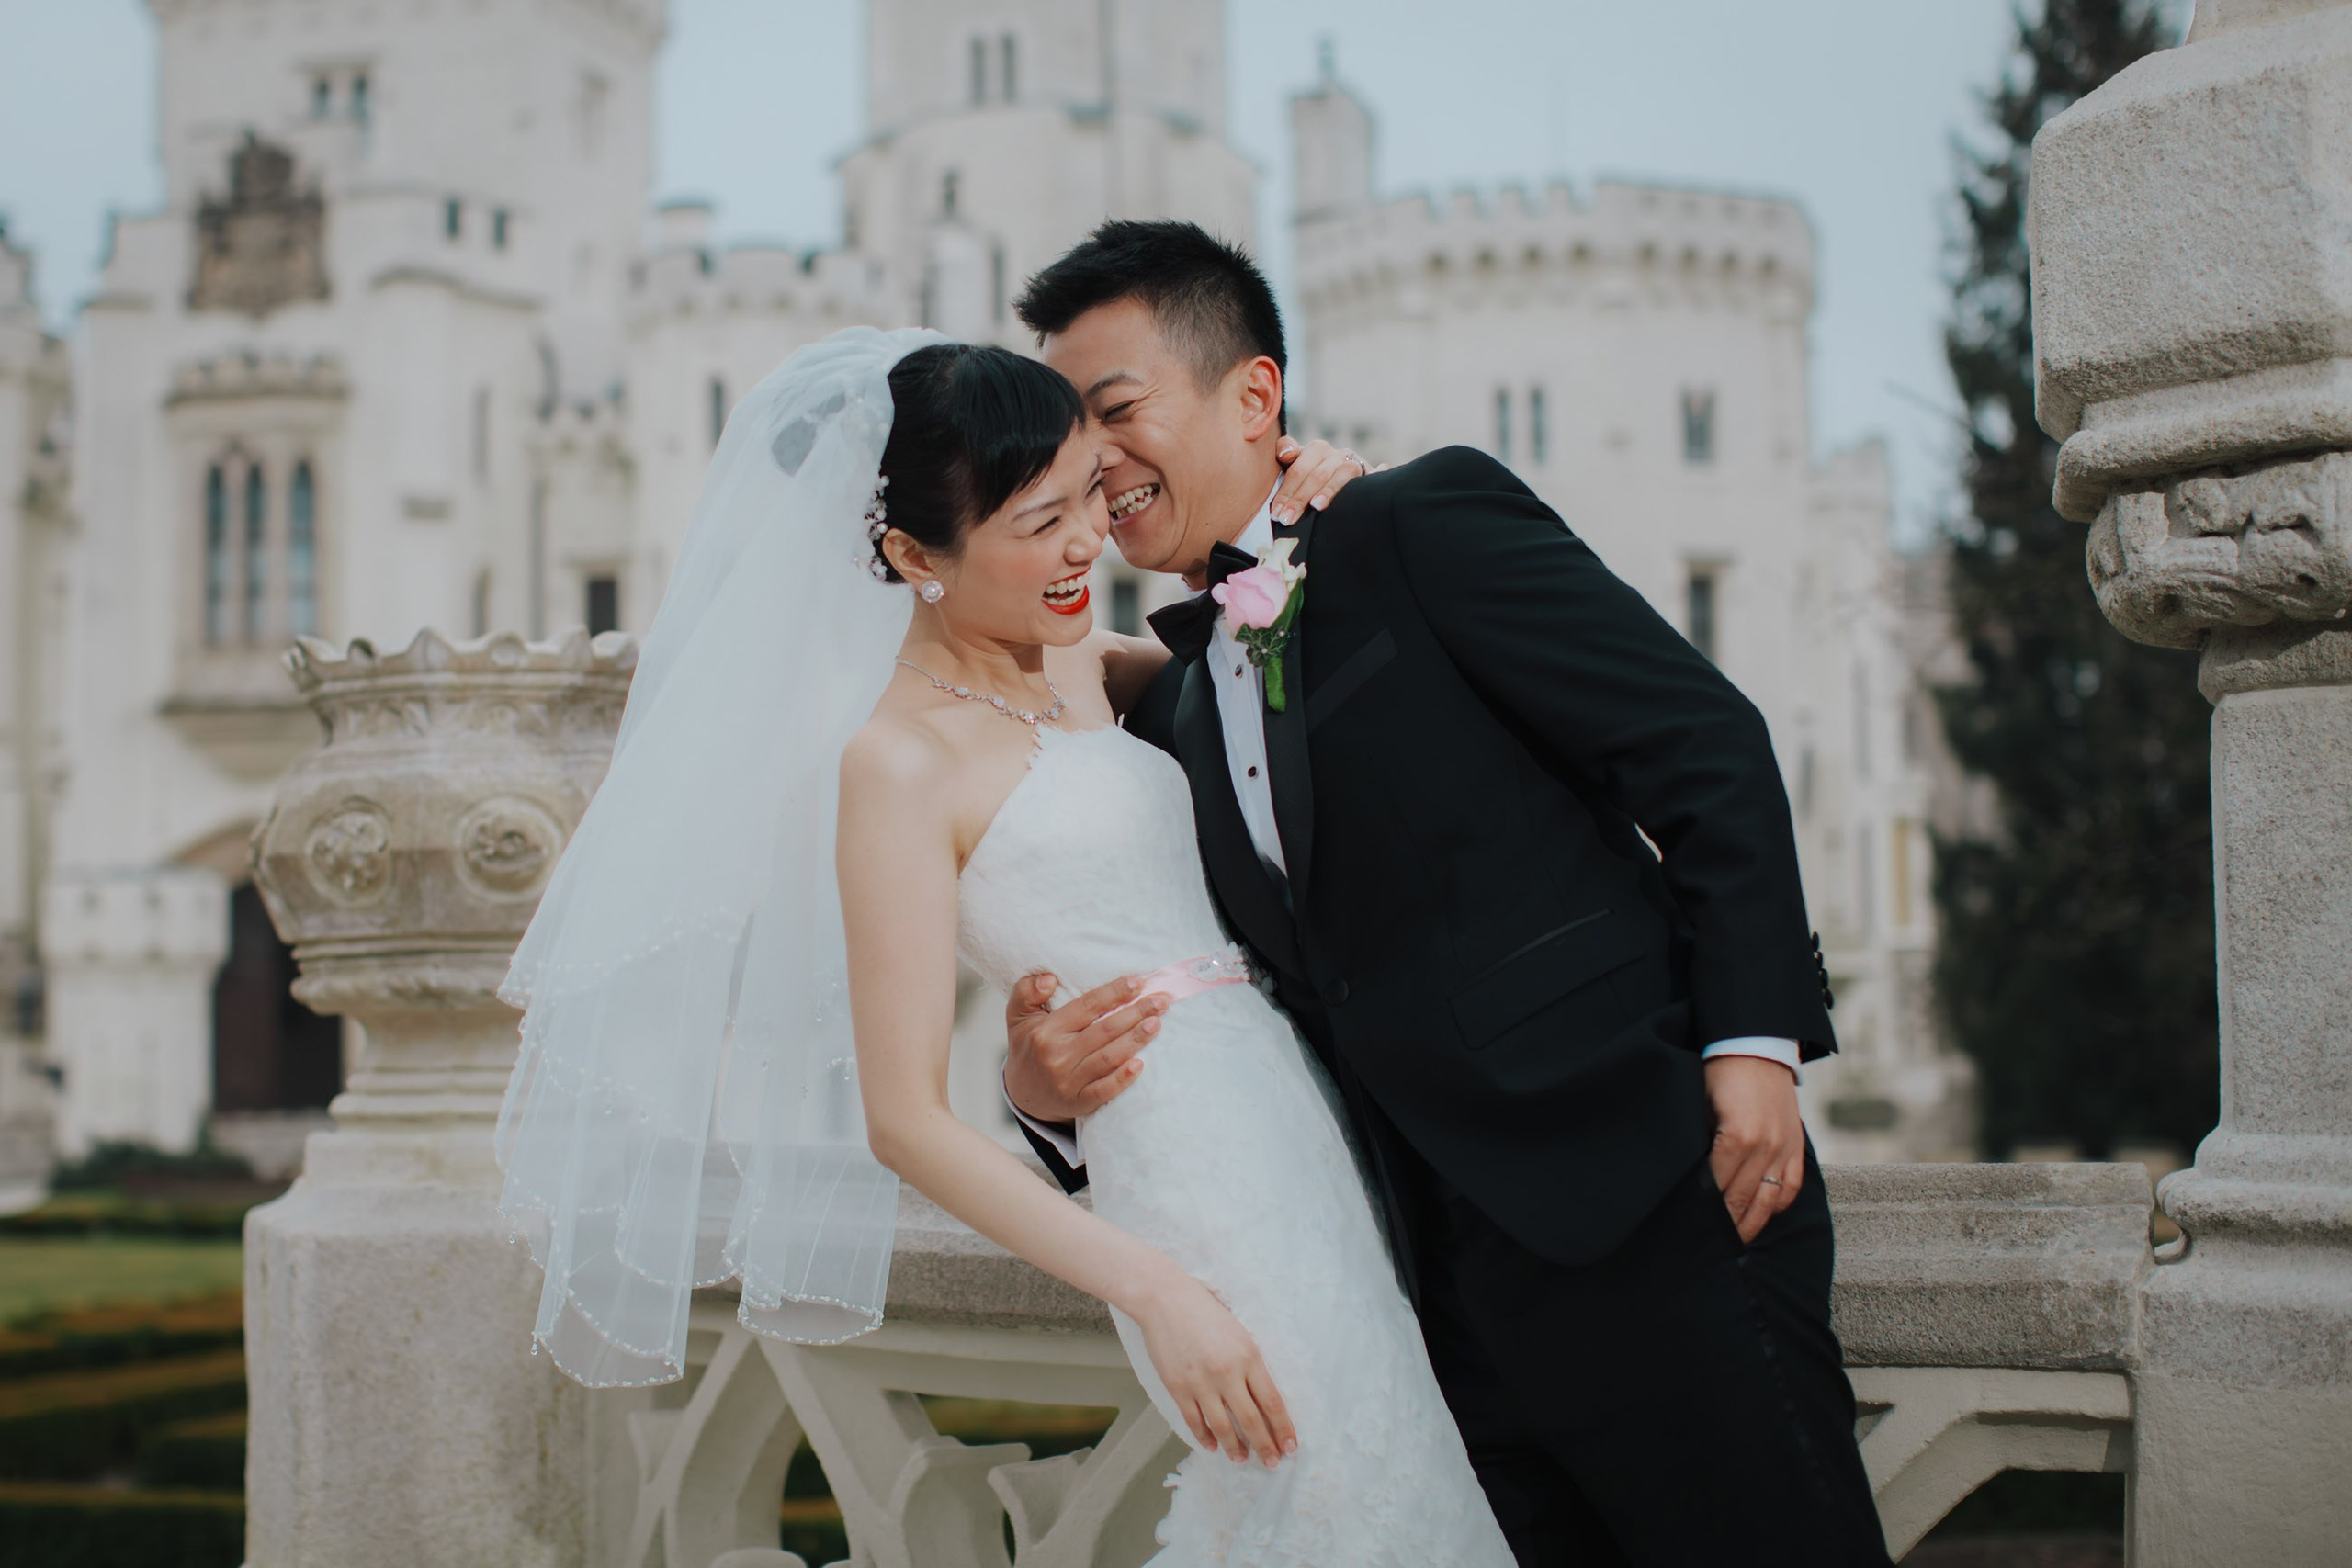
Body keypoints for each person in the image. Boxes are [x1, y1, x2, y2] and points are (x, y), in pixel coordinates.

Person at [493, 324, 1513, 1564]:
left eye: (1089, 493)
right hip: (1191, 1184)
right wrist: (1157, 1290)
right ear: (912, 554)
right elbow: (903, 1121)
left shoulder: (1080, 659)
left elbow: (1266, 687)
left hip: (1309, 1122)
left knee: (1407, 1486)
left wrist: (1320, 516)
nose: (1089, 541)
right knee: (1337, 1499)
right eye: (1038, 525)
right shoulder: (895, 764)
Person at [998, 220, 1894, 1568]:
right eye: (1069, 434)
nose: (1094, 461)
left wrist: (1752, 1045)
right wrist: (1038, 1095)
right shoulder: (1176, 703)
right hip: (1422, 1294)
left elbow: (1700, 743)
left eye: (1117, 411)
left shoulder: (1419, 523)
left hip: (1649, 1202)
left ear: (1255, 398)